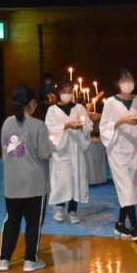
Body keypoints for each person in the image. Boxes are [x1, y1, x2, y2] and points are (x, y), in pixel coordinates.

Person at [0, 85, 54, 272]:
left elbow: (7, 152)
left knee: (11, 221)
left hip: (12, 183)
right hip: (34, 184)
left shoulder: (6, 124)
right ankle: (30, 260)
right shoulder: (38, 125)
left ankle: (4, 259)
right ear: (32, 103)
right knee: (33, 223)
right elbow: (46, 155)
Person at [100, 68, 137, 241]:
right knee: (127, 187)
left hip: (135, 149)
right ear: (117, 83)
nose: (127, 83)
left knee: (129, 187)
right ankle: (135, 226)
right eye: (123, 80)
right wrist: (121, 121)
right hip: (117, 150)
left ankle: (120, 224)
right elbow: (104, 127)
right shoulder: (110, 103)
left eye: (129, 79)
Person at [46, 79, 93, 224]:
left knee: (76, 179)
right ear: (58, 93)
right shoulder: (52, 110)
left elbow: (88, 125)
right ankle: (59, 207)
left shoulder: (79, 108)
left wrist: (81, 127)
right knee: (62, 180)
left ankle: (73, 210)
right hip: (61, 152)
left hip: (76, 150)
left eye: (69, 92)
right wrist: (65, 126)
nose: (67, 95)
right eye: (64, 92)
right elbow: (49, 129)